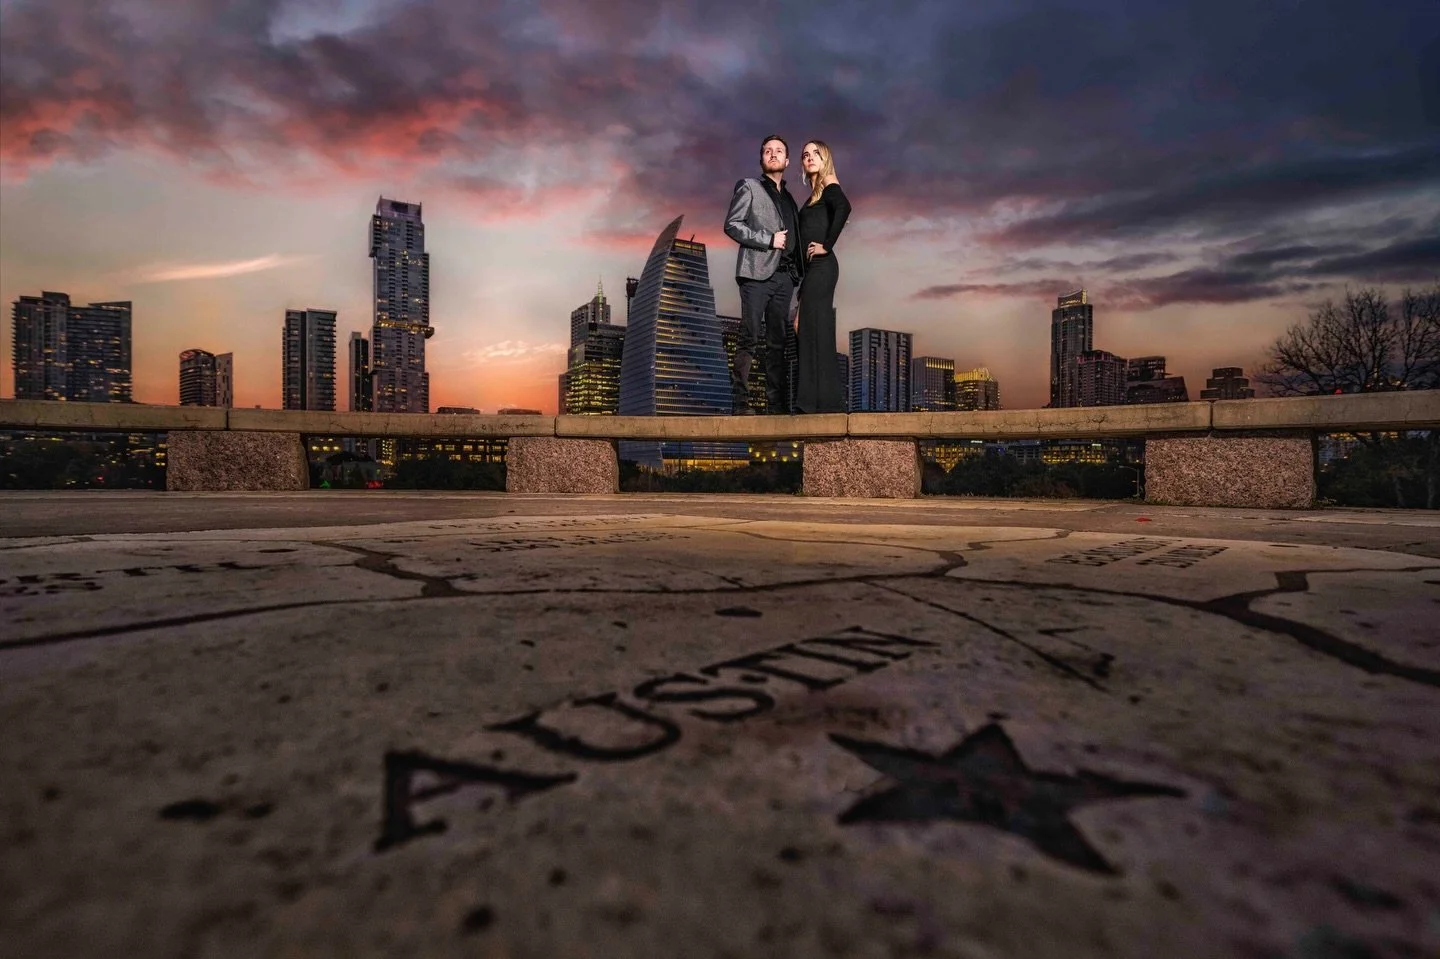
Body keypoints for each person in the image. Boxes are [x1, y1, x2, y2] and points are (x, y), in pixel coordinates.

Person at [724, 135, 803, 414]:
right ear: (761, 159)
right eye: (767, 151)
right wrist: (768, 240)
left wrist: (797, 275)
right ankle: (740, 403)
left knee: (777, 345)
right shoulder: (749, 187)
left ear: (787, 160)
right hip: (756, 274)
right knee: (750, 335)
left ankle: (776, 407)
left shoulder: (790, 199)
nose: (773, 154)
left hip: (784, 279)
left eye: (779, 151)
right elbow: (732, 225)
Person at [794, 140, 851, 414]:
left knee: (817, 330)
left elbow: (844, 208)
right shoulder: (814, 194)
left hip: (824, 265)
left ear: (825, 157)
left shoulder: (829, 182)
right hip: (812, 272)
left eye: (815, 153)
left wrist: (826, 245)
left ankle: (822, 404)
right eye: (805, 155)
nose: (809, 157)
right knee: (802, 327)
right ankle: (812, 402)